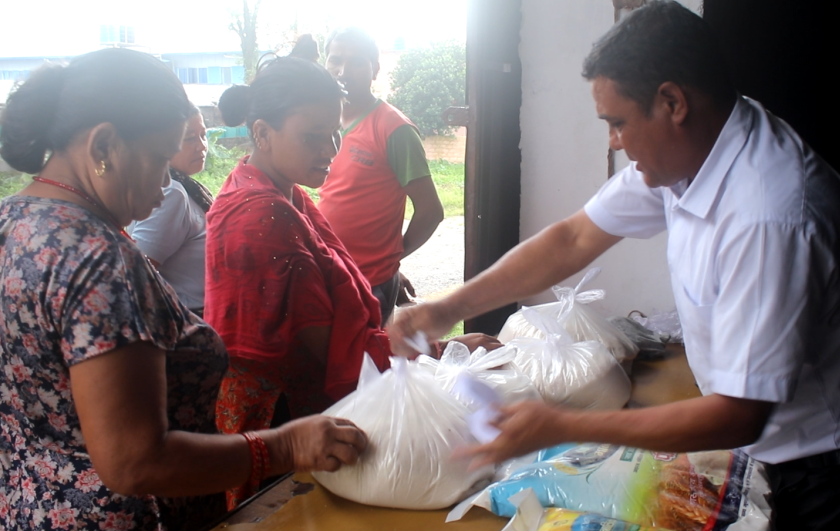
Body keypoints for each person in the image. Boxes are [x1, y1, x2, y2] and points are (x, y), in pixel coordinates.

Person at [389, 3, 840, 530]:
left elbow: (739, 413)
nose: (613, 141)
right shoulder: (690, 156)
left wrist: (561, 426)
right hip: (793, 444)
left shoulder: (767, 215)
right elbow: (573, 238)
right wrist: (447, 307)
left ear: (673, 102)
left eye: (618, 121)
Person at [0, 48, 367, 531]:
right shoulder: (97, 258)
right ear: (102, 146)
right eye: (159, 159)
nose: (166, 183)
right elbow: (135, 461)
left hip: (28, 507)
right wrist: (286, 446)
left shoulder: (13, 220)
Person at [205, 56, 499, 508]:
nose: (329, 150)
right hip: (281, 420)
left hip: (296, 404)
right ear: (262, 132)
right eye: (312, 137)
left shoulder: (287, 194)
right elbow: (332, 356)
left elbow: (329, 273)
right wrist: (440, 352)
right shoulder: (261, 214)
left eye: (333, 134)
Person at [318, 27, 444, 324]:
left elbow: (431, 211)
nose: (343, 71)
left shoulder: (394, 129)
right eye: (335, 60)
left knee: (364, 367)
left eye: (357, 62)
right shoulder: (324, 123)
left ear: (375, 69)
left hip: (369, 284)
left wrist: (392, 260)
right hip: (328, 273)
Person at [127, 103, 212, 316]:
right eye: (190, 138)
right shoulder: (171, 193)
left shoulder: (186, 188)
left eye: (203, 135)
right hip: (188, 318)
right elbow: (138, 274)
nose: (201, 146)